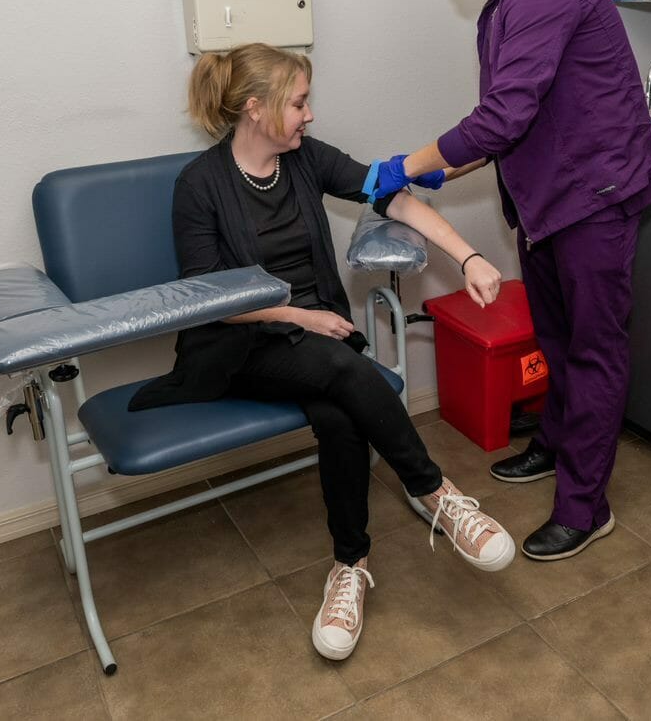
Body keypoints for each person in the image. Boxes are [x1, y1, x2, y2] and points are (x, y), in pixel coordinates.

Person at [127, 43, 515, 662]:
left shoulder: (304, 159)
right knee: (344, 365)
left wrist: (466, 256)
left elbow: (393, 194)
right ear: (256, 109)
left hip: (317, 341)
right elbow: (207, 298)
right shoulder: (198, 186)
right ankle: (438, 493)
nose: (309, 115)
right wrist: (298, 315)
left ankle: (349, 568)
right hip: (238, 346)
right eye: (299, 103)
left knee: (339, 410)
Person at [369, 0, 651, 562]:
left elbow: (499, 117)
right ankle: (555, 445)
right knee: (556, 343)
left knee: (592, 353)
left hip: (594, 200)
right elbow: (510, 127)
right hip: (547, 204)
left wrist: (407, 164)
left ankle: (586, 507)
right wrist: (435, 167)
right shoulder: (503, 0)